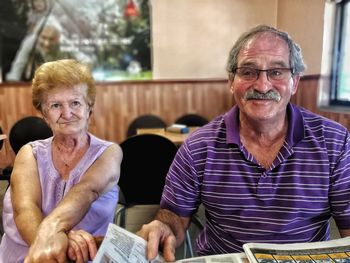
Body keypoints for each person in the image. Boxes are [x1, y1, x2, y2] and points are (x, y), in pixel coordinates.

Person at [136, 25, 350, 261]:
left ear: (295, 82)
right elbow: (174, 215)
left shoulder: (335, 142)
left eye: (276, 72)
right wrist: (163, 226)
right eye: (248, 72)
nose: (262, 85)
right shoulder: (198, 147)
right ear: (231, 80)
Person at [0, 59, 122, 262]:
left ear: (89, 108)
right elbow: (25, 208)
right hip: (27, 257)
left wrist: (54, 232)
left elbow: (86, 190)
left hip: (84, 258)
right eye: (56, 105)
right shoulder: (29, 153)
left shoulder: (109, 153)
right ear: (44, 114)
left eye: (75, 103)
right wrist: (53, 244)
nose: (67, 114)